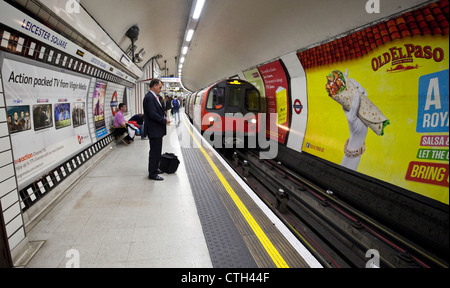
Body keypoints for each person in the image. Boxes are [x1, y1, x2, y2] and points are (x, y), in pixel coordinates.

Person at [143, 79, 171, 181]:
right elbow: (153, 114)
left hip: (156, 130)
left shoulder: (154, 97)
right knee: (154, 152)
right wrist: (164, 120)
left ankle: (155, 169)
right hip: (154, 130)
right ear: (154, 86)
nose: (160, 89)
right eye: (159, 87)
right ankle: (152, 174)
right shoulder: (149, 98)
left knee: (157, 151)